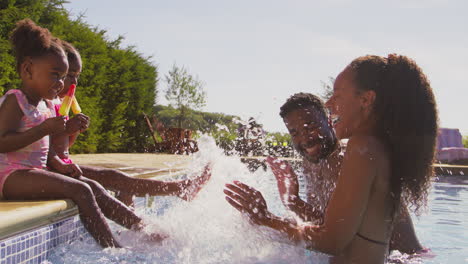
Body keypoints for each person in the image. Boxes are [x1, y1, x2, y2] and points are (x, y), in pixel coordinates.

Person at [225, 54, 438, 264]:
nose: (329, 103)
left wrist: (264, 218)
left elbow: (332, 241)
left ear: (366, 100)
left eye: (337, 95)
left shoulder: (361, 148)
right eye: (295, 132)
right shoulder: (374, 147)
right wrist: (290, 204)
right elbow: (342, 232)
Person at [0, 19, 123, 248]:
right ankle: (113, 249)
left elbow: (46, 150)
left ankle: (139, 230)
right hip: (9, 176)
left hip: (32, 172)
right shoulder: (15, 100)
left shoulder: (45, 105)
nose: (60, 83)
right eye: (55, 74)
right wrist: (43, 129)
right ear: (28, 70)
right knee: (81, 189)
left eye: (63, 76)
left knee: (92, 185)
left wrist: (60, 162)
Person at [51, 40, 211, 207]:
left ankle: (134, 226)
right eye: (70, 75)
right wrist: (65, 130)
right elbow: (43, 146)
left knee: (119, 181)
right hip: (53, 169)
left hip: (63, 166)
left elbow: (64, 145)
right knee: (116, 180)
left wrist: (74, 131)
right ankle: (179, 189)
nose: (75, 82)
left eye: (77, 76)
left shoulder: (59, 103)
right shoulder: (45, 105)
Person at [275, 92, 426, 254]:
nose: (305, 139)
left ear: (329, 121)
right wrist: (292, 200)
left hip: (402, 258)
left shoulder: (350, 157)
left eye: (310, 127)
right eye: (295, 133)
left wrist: (267, 220)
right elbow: (325, 224)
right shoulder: (312, 161)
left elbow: (336, 241)